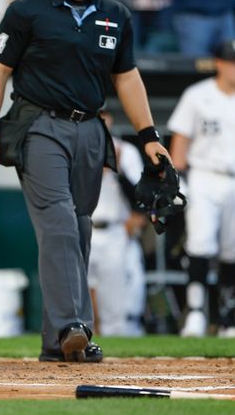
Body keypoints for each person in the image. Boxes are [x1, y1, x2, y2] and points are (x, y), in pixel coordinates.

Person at [0, 0, 170, 362]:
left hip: (90, 130)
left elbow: (127, 78)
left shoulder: (115, 14)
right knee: (60, 221)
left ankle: (56, 344)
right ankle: (74, 325)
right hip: (39, 123)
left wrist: (150, 136)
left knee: (78, 230)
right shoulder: (27, 11)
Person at [169, 38, 235, 338]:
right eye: (232, 62)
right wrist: (179, 181)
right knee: (200, 244)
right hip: (204, 175)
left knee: (232, 248)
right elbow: (180, 141)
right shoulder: (197, 95)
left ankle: (228, 317)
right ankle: (195, 313)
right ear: (219, 63)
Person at [87, 111, 147, 336]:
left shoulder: (125, 151)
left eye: (106, 117)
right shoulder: (77, 148)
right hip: (85, 229)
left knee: (114, 306)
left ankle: (115, 361)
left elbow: (139, 196)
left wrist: (118, 169)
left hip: (114, 229)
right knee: (81, 303)